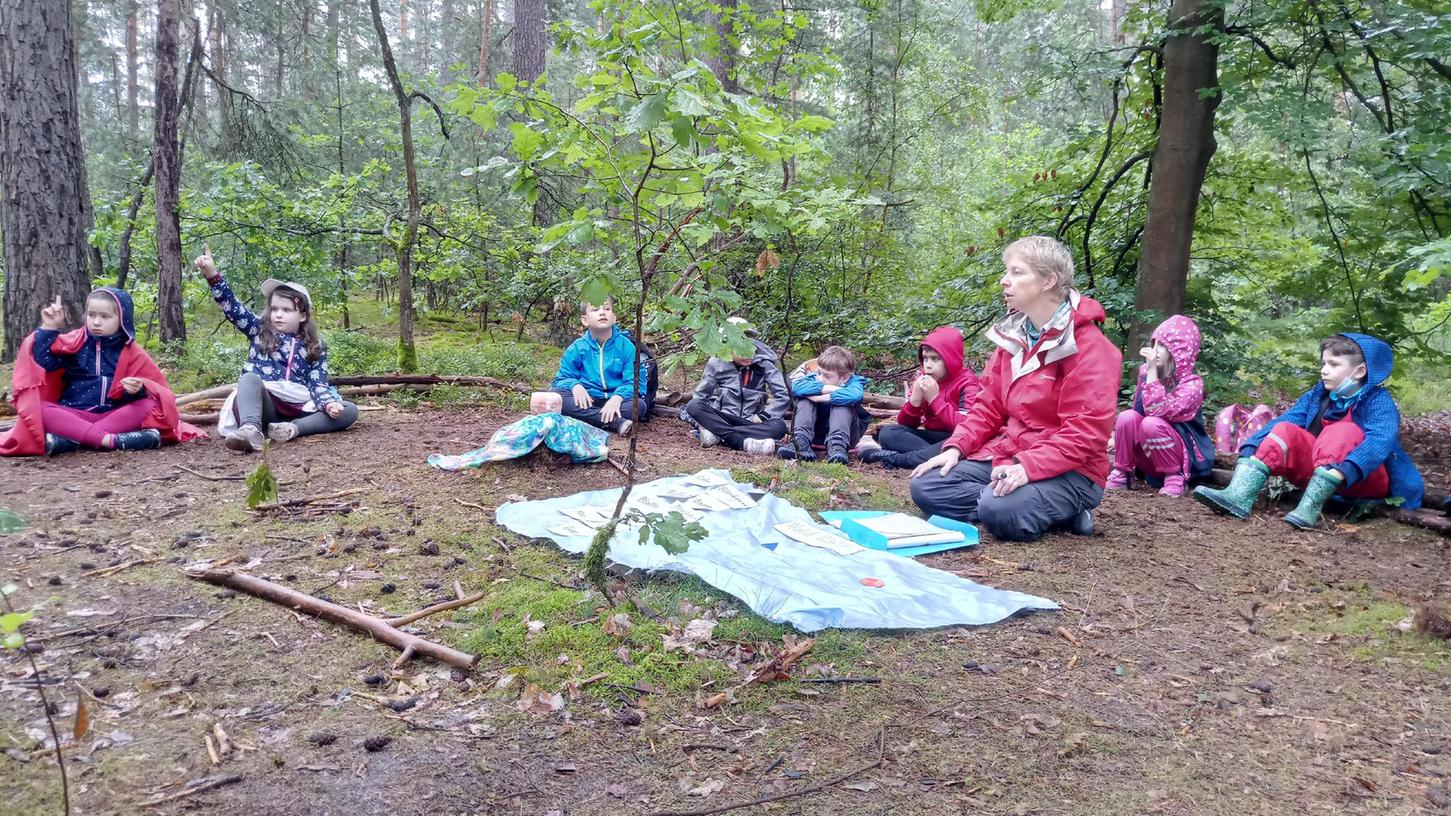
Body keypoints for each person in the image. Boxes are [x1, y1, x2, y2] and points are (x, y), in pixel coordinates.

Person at [909, 236, 1120, 541]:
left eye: (1017, 273)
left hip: (1074, 470)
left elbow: (1085, 433)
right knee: (927, 483)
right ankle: (1010, 503)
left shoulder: (1089, 347)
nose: (1004, 281)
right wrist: (956, 447)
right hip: (1010, 454)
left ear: (1048, 280)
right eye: (1007, 272)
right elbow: (988, 406)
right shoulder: (1013, 338)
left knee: (1001, 510)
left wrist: (1026, 468)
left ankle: (1056, 506)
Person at [1193, 333, 1424, 527]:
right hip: (1320, 471)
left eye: (1334, 365)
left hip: (1361, 476)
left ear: (1360, 371)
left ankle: (1309, 509)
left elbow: (1379, 442)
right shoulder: (1320, 394)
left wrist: (1345, 469)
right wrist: (1251, 448)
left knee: (1342, 431)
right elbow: (1288, 420)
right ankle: (1238, 496)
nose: (1324, 370)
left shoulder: (1378, 401)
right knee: (1285, 429)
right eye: (1323, 363)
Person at [195, 246, 358, 452]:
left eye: (286, 310)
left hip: (297, 408)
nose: (278, 314)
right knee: (249, 379)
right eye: (274, 309)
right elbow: (232, 307)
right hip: (264, 405)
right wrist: (212, 274)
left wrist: (328, 404)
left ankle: (291, 429)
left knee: (349, 410)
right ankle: (250, 429)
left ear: (302, 315)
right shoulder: (258, 330)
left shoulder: (315, 347)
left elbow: (318, 384)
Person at [1, 289, 203, 456]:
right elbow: (44, 364)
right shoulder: (75, 343)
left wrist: (138, 389)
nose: (96, 322)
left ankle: (73, 441)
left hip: (113, 414)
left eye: (105, 316)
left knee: (150, 404)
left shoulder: (131, 352)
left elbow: (156, 390)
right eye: (92, 315)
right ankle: (111, 441)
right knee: (40, 408)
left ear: (121, 318)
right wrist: (49, 328)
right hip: (74, 413)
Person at [1106, 315, 1213, 496]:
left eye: (1162, 346)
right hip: (1152, 457)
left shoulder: (1192, 384)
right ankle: (1123, 472)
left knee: (1151, 423)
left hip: (1185, 459)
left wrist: (1152, 374)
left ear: (1178, 352)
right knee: (1127, 417)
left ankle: (1174, 477)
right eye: (1154, 344)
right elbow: (1138, 413)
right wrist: (1117, 438)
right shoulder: (1149, 374)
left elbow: (1157, 411)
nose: (1155, 351)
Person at [857, 325, 981, 470]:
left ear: (950, 358)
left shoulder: (968, 382)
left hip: (955, 437)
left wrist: (935, 400)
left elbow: (966, 426)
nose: (928, 365)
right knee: (888, 433)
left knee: (952, 445)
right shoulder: (922, 378)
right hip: (929, 437)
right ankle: (930, 457)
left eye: (935, 359)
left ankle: (892, 458)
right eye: (925, 359)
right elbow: (906, 424)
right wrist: (914, 401)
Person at [681, 319, 790, 455]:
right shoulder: (716, 363)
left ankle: (717, 436)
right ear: (728, 347)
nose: (747, 352)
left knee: (779, 427)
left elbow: (784, 395)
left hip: (752, 422)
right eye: (740, 348)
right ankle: (742, 442)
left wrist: (763, 416)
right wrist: (703, 422)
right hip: (723, 417)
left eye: (748, 345)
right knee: (693, 405)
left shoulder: (764, 364)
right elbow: (701, 396)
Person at [550, 297, 650, 436]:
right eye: (596, 310)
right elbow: (561, 378)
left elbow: (636, 382)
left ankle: (587, 418)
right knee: (556, 395)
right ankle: (614, 422)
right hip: (587, 400)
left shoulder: (626, 346)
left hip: (617, 402)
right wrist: (575, 386)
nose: (602, 313)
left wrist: (618, 397)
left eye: (607, 309)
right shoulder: (577, 347)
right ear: (585, 320)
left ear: (614, 318)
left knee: (638, 406)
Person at [777, 345, 868, 464]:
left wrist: (822, 398)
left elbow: (855, 395)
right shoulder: (815, 377)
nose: (820, 378)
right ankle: (800, 442)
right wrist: (827, 387)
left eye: (827, 376)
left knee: (843, 402)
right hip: (815, 433)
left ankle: (837, 447)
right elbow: (796, 387)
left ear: (845, 377)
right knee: (805, 398)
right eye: (819, 373)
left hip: (847, 436)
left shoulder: (854, 381)